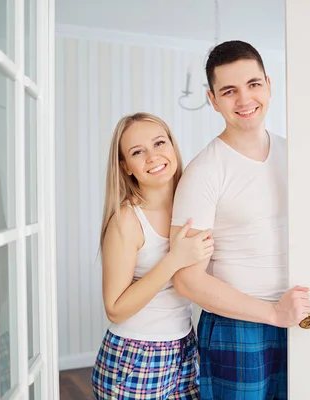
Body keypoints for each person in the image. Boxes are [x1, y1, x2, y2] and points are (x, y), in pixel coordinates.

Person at [170, 41, 310, 399]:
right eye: (229, 91)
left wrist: (286, 313)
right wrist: (272, 313)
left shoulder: (296, 153)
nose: (244, 99)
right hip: (238, 326)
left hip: (300, 315)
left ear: (268, 83)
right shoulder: (204, 172)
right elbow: (187, 280)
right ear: (213, 100)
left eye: (253, 84)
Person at [91, 112, 214, 399]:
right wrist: (173, 259)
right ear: (126, 167)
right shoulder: (126, 219)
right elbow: (115, 308)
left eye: (159, 143)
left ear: (173, 147)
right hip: (136, 354)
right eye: (137, 151)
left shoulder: (193, 204)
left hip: (184, 345)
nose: (152, 156)